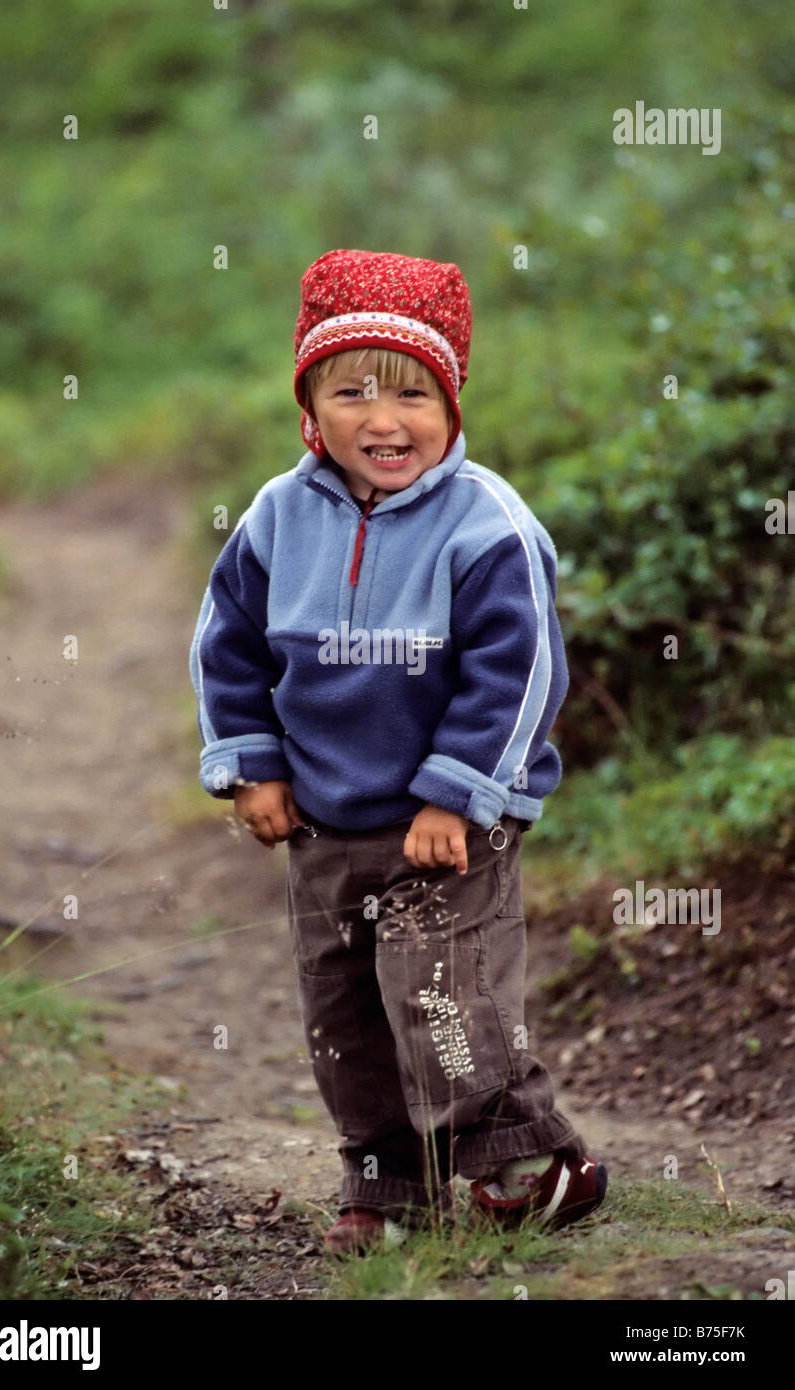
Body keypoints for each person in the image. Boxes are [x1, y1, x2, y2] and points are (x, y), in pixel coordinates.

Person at [190, 248, 607, 1254]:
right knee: (342, 1009)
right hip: (326, 823)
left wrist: (456, 796)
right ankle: (385, 1183)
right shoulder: (275, 518)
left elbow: (520, 677)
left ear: (453, 406)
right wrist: (253, 762)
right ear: (310, 409)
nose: (385, 419)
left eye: (414, 393)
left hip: (447, 828)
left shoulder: (487, 525)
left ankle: (535, 1160)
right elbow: (229, 642)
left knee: (442, 999)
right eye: (352, 392)